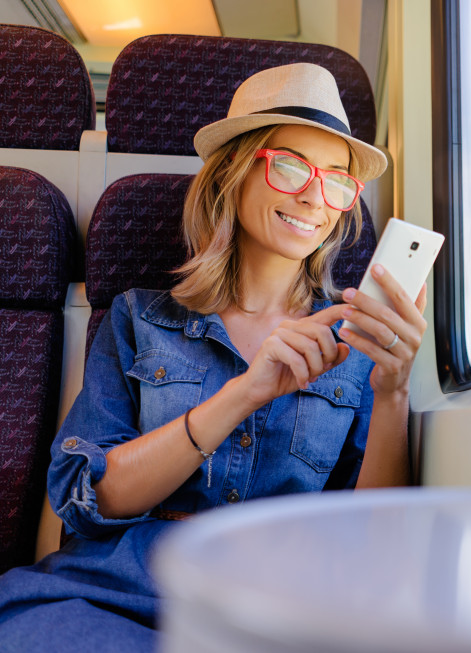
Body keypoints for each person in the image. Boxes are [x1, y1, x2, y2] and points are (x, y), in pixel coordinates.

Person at [0, 63, 425, 651]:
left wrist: (393, 390)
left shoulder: (354, 347)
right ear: (233, 174)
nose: (314, 196)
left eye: (336, 180)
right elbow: (83, 497)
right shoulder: (139, 318)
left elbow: (379, 544)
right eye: (290, 165)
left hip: (282, 604)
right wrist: (242, 394)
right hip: (119, 590)